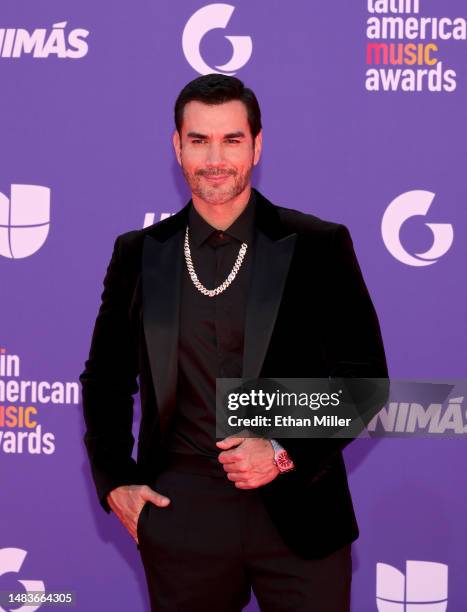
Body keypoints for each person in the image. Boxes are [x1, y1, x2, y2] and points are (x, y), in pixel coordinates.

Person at [80, 73, 388, 611]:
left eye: (232, 139)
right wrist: (115, 481)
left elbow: (364, 383)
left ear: (257, 144)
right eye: (199, 140)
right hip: (181, 510)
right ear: (177, 146)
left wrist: (281, 451)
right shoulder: (139, 255)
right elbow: (105, 379)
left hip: (300, 511)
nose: (215, 157)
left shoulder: (317, 245)